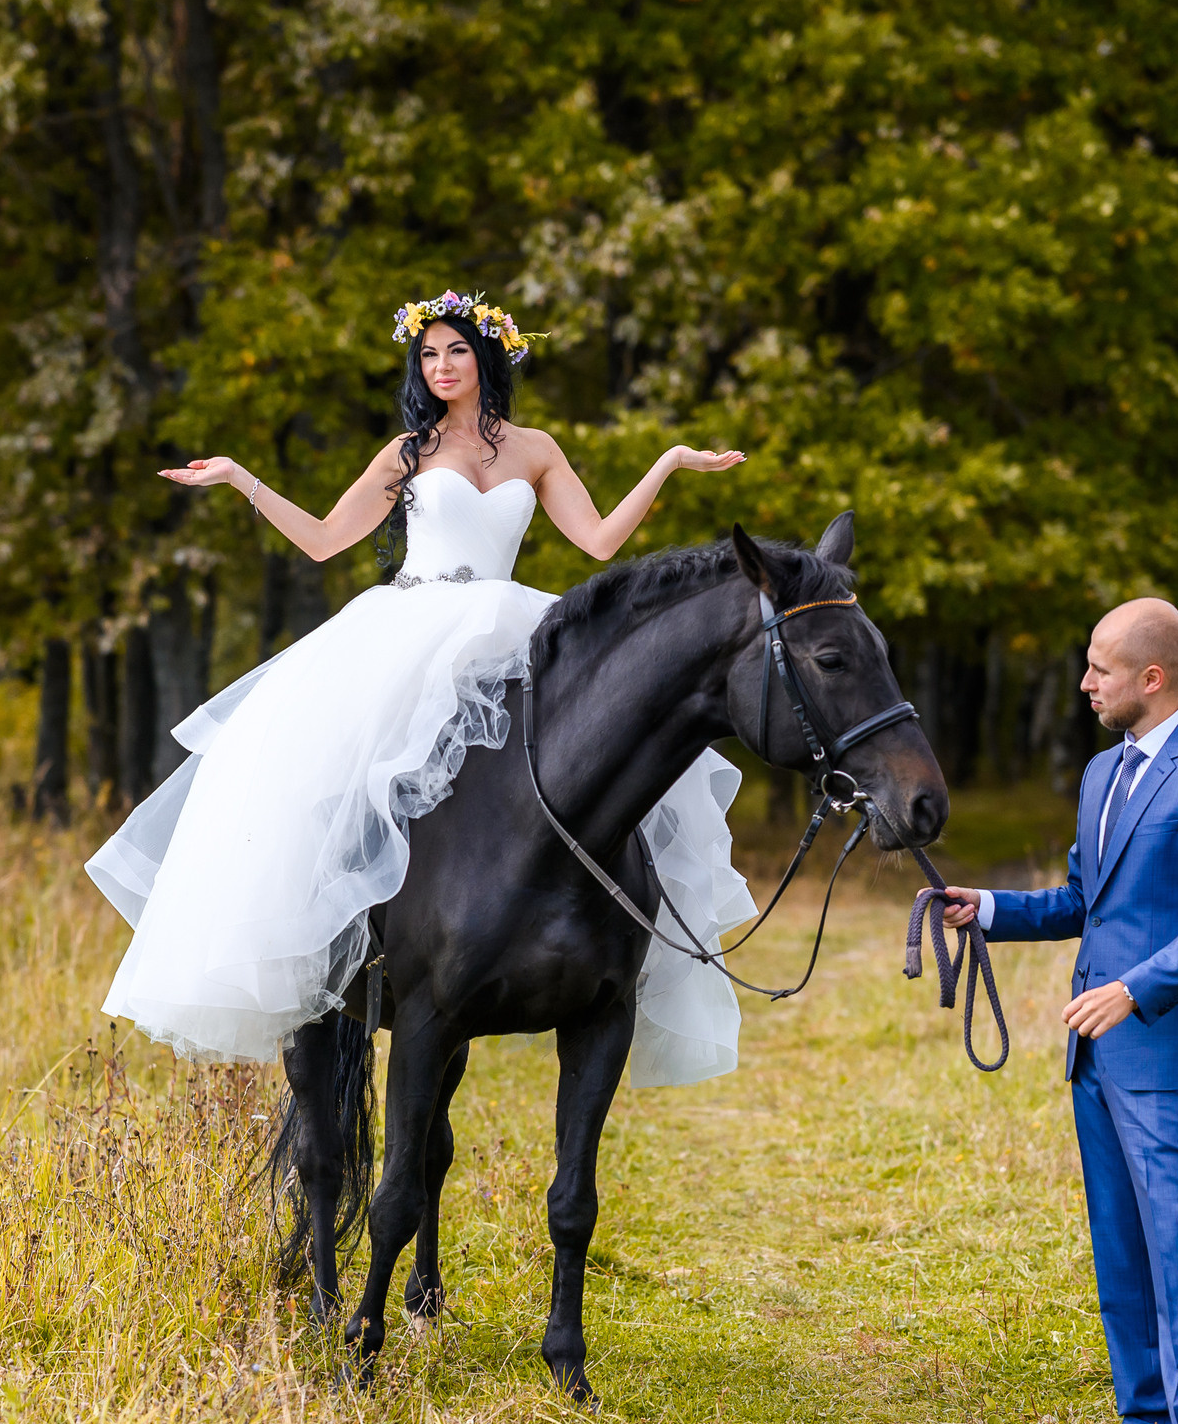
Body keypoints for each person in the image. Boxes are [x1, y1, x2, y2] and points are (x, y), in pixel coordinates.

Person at [86, 291, 759, 1086]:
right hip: (408, 628)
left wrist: (671, 462)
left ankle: (599, 927)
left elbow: (601, 538)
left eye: (456, 353)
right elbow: (326, 541)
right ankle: (347, 929)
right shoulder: (407, 451)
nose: (440, 368)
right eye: (428, 356)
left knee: (598, 745)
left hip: (508, 624)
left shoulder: (534, 448)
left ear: (487, 358)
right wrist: (241, 478)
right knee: (346, 771)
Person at [938, 599, 1178, 1424]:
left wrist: (1135, 988)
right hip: (1096, 1058)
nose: (1084, 682)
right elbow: (1083, 901)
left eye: (1099, 667)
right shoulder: (1102, 773)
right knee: (1121, 1249)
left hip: (1172, 1051)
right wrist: (994, 906)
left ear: (1152, 677)